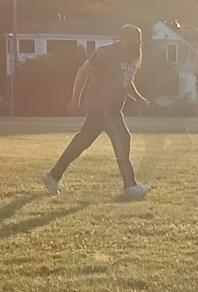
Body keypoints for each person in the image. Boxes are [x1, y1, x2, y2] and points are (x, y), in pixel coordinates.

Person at [42, 25, 150, 199]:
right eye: (136, 38)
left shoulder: (131, 58)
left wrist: (138, 98)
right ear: (126, 38)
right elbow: (83, 71)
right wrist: (75, 98)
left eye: (140, 39)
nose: (139, 43)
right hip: (102, 105)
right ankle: (130, 186)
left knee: (81, 142)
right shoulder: (106, 52)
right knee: (122, 138)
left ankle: (53, 176)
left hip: (111, 107)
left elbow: (127, 82)